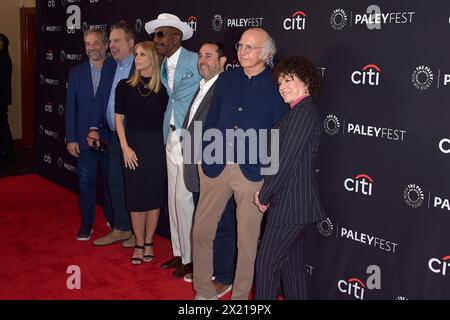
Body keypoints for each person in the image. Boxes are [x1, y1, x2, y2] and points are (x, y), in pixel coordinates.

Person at [192, 27, 288, 300]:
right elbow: (212, 118)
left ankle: (240, 296)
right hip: (215, 166)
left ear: (266, 54)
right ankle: (203, 290)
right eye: (241, 46)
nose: (242, 51)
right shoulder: (227, 79)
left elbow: (278, 134)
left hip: (253, 173)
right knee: (201, 231)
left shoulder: (276, 85)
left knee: (246, 242)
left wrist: (269, 177)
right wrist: (203, 155)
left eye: (249, 47)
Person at [253, 56, 327, 299]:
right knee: (291, 267)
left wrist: (264, 195)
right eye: (280, 82)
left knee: (266, 266)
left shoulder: (302, 114)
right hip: (296, 205)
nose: (282, 86)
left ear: (306, 82)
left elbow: (284, 164)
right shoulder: (300, 112)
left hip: (291, 207)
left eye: (288, 80)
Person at [144, 13, 201, 278]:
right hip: (169, 134)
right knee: (172, 196)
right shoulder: (164, 64)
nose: (156, 40)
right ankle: (179, 253)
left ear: (176, 37)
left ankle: (191, 258)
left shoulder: (195, 60)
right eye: (155, 35)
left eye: (160, 34)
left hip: (189, 136)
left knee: (183, 197)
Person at [181, 42, 236, 298]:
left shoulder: (225, 88)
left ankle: (225, 276)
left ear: (223, 61)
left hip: (215, 169)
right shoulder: (203, 85)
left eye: (209, 56)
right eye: (201, 56)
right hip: (197, 167)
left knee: (223, 224)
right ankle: (208, 269)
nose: (202, 60)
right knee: (204, 223)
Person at [114, 41, 168, 264]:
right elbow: (119, 120)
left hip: (156, 146)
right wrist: (125, 148)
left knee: (154, 196)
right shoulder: (124, 86)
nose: (136, 58)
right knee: (136, 196)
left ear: (153, 58)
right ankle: (138, 243)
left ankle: (149, 241)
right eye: (135, 54)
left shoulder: (164, 88)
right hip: (132, 145)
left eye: (142, 54)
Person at [88, 22, 136, 247]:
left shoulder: (142, 64)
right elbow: (100, 100)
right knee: (115, 182)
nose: (113, 46)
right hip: (113, 135)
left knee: (135, 185)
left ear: (131, 43)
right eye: (112, 41)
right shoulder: (109, 66)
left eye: (117, 41)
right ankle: (121, 228)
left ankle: (139, 233)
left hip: (135, 137)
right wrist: (93, 127)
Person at [65, 28, 114, 240]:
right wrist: (72, 137)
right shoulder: (76, 73)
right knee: (85, 182)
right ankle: (87, 223)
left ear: (105, 45)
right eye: (87, 44)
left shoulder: (116, 69)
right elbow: (71, 108)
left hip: (111, 138)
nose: (91, 48)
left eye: (95, 43)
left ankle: (115, 221)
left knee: (111, 182)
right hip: (84, 139)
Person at [0, 33, 16, 164]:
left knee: (3, 125)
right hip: (2, 97)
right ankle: (6, 151)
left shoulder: (4, 58)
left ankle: (9, 153)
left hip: (1, 98)